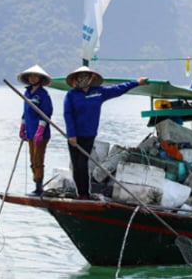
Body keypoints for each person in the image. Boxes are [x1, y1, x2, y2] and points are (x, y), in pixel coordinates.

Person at [63, 65, 148, 200]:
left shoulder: (98, 92)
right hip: (74, 135)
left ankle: (84, 194)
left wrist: (136, 82)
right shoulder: (71, 95)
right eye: (81, 77)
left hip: (89, 134)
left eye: (86, 77)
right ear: (76, 79)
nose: (83, 80)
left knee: (83, 164)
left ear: (91, 79)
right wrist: (71, 134)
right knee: (76, 164)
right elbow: (68, 114)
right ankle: (80, 192)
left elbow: (118, 89)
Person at [17, 64, 53, 196]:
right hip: (30, 132)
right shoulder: (27, 93)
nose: (33, 79)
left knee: (38, 160)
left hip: (41, 134)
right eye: (31, 76)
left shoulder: (43, 94)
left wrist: (40, 131)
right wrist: (22, 127)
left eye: (35, 76)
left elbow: (47, 113)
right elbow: (25, 112)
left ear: (40, 78)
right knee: (32, 160)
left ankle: (39, 186)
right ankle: (36, 183)